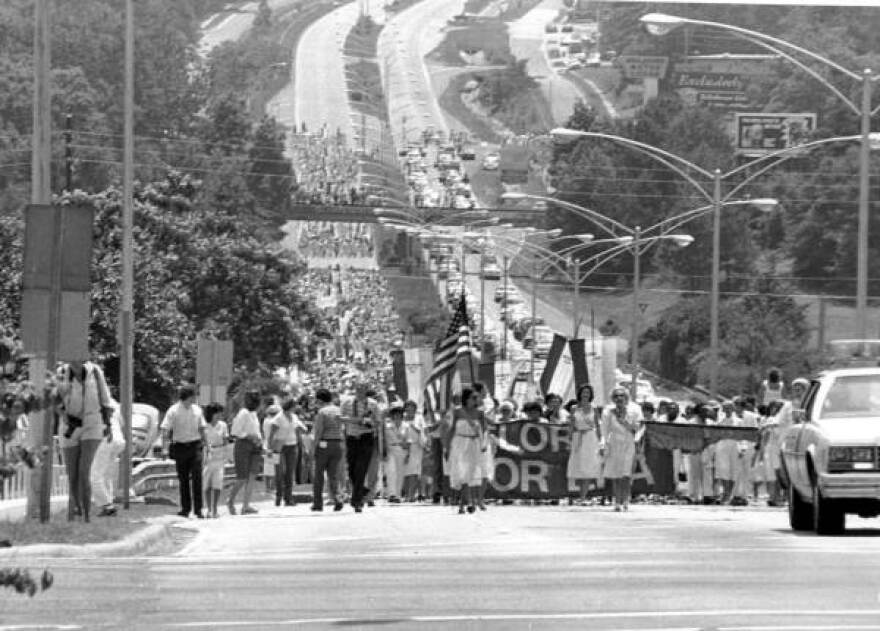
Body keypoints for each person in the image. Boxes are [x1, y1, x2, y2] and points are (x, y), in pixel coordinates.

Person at [57, 359, 114, 522]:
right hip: (70, 425)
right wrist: (64, 416)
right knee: (72, 473)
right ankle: (74, 511)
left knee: (84, 471)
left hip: (92, 423)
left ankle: (86, 516)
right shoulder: (61, 372)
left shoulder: (95, 372)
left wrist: (108, 425)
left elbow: (105, 400)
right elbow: (55, 401)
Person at [161, 386, 207, 519]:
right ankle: (185, 508)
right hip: (180, 447)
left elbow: (202, 427)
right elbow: (165, 430)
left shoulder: (197, 410)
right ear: (188, 396)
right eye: (194, 395)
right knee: (183, 478)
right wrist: (165, 447)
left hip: (195, 445)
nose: (196, 398)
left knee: (197, 477)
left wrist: (207, 444)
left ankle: (199, 509)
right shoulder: (173, 410)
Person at [600, 387, 643, 512]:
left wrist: (625, 422)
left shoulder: (635, 409)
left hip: (629, 442)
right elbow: (604, 429)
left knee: (626, 473)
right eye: (617, 396)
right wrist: (603, 444)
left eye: (622, 396)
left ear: (626, 397)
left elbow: (639, 427)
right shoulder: (608, 410)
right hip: (614, 443)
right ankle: (617, 500)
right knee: (616, 474)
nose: (619, 398)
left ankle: (625, 499)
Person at [339, 383, 379, 512]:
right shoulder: (347, 403)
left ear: (366, 390)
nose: (360, 391)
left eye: (363, 389)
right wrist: (356, 420)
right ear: (355, 390)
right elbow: (341, 418)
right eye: (358, 389)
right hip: (352, 438)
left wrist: (369, 422)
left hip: (366, 438)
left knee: (361, 469)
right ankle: (363, 490)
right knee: (351, 469)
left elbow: (378, 421)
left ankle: (357, 501)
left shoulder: (373, 404)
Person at [446, 387, 486, 514]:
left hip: (473, 444)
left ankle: (467, 501)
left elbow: (484, 431)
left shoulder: (480, 413)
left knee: (471, 472)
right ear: (466, 399)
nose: (476, 400)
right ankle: (466, 502)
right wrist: (447, 446)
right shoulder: (458, 412)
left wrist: (483, 444)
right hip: (459, 443)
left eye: (476, 398)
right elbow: (452, 429)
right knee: (461, 472)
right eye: (473, 398)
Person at [310, 388, 345, 512]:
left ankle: (317, 503)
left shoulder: (322, 412)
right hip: (338, 444)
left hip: (324, 444)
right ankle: (338, 498)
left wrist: (313, 447)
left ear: (320, 400)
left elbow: (319, 431)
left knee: (318, 475)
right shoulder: (338, 410)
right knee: (333, 475)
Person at [228, 391, 262, 516]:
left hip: (255, 447)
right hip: (243, 445)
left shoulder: (254, 415)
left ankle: (246, 505)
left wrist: (259, 440)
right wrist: (249, 436)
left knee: (252, 475)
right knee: (242, 477)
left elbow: (256, 430)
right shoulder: (243, 413)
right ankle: (230, 501)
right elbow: (235, 431)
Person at [567, 384, 602, 506]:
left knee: (588, 466)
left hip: (590, 438)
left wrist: (600, 442)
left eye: (588, 392)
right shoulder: (574, 408)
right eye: (583, 392)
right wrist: (569, 439)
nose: (585, 394)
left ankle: (583, 497)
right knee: (577, 466)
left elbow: (597, 426)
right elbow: (571, 425)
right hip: (578, 437)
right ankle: (577, 495)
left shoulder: (594, 408)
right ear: (580, 394)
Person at [267, 398, 306, 507]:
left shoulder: (294, 417)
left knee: (290, 473)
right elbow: (271, 434)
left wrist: (303, 429)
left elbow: (299, 428)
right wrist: (269, 449)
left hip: (292, 446)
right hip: (280, 447)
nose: (296, 408)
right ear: (290, 406)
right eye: (294, 406)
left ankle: (288, 498)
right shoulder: (278, 418)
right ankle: (279, 496)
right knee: (280, 472)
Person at [90, 401, 126, 517]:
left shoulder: (94, 399)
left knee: (94, 476)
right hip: (118, 439)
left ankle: (107, 506)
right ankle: (109, 501)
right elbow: (122, 423)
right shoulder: (113, 402)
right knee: (105, 475)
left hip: (106, 438)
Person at [201, 403, 228, 519]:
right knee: (207, 483)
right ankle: (208, 509)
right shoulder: (204, 425)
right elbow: (201, 439)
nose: (220, 415)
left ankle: (215, 508)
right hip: (207, 456)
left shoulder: (222, 425)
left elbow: (226, 440)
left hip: (219, 455)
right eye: (218, 413)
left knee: (217, 483)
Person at [382, 402, 407, 503]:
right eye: (395, 412)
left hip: (402, 450)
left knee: (400, 473)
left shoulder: (406, 426)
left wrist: (407, 452)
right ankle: (391, 494)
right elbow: (383, 439)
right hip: (390, 449)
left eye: (399, 412)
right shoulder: (387, 425)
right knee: (391, 471)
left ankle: (398, 495)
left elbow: (408, 440)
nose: (397, 414)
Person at [402, 400, 425, 502]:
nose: (409, 409)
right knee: (405, 472)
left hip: (416, 447)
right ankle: (406, 494)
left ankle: (412, 494)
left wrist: (412, 426)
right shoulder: (402, 418)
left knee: (414, 472)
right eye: (407, 407)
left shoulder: (419, 418)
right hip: (404, 447)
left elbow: (422, 431)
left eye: (411, 407)